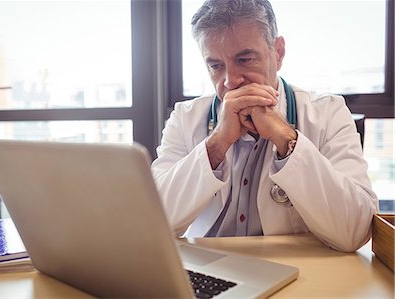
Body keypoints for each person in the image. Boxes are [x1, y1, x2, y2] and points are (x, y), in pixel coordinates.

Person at [151, 0, 378, 252]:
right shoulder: (185, 117)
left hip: (296, 271)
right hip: (208, 269)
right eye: (216, 66)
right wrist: (216, 144)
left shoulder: (328, 112)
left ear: (278, 52)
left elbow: (355, 231)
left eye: (245, 59)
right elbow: (153, 221)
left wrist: (287, 140)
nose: (231, 81)